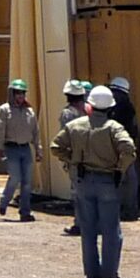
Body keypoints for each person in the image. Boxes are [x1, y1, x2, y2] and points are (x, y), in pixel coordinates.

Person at [51, 84, 137, 278]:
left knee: (88, 230)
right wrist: (120, 168)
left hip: (83, 181)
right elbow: (129, 149)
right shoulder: (114, 127)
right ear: (110, 108)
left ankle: (92, 274)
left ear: (90, 106)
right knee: (111, 231)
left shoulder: (76, 126)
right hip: (107, 180)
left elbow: (56, 147)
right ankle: (109, 274)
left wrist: (73, 161)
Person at [0, 79, 38, 222]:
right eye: (17, 93)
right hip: (11, 148)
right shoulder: (4, 110)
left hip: (25, 148)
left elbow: (35, 131)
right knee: (15, 178)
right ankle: (4, 202)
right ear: (12, 94)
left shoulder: (29, 111)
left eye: (22, 93)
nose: (20, 96)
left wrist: (38, 148)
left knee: (27, 181)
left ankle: (25, 212)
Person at [57, 80, 91, 236]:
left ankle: (80, 224)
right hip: (92, 156)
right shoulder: (89, 110)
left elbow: (65, 136)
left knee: (77, 192)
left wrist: (65, 157)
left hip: (76, 158)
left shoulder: (67, 113)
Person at [107, 77, 140, 222]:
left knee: (113, 178)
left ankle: (114, 209)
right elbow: (134, 128)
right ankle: (131, 210)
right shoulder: (128, 105)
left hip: (110, 145)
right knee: (130, 178)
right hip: (127, 145)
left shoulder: (109, 103)